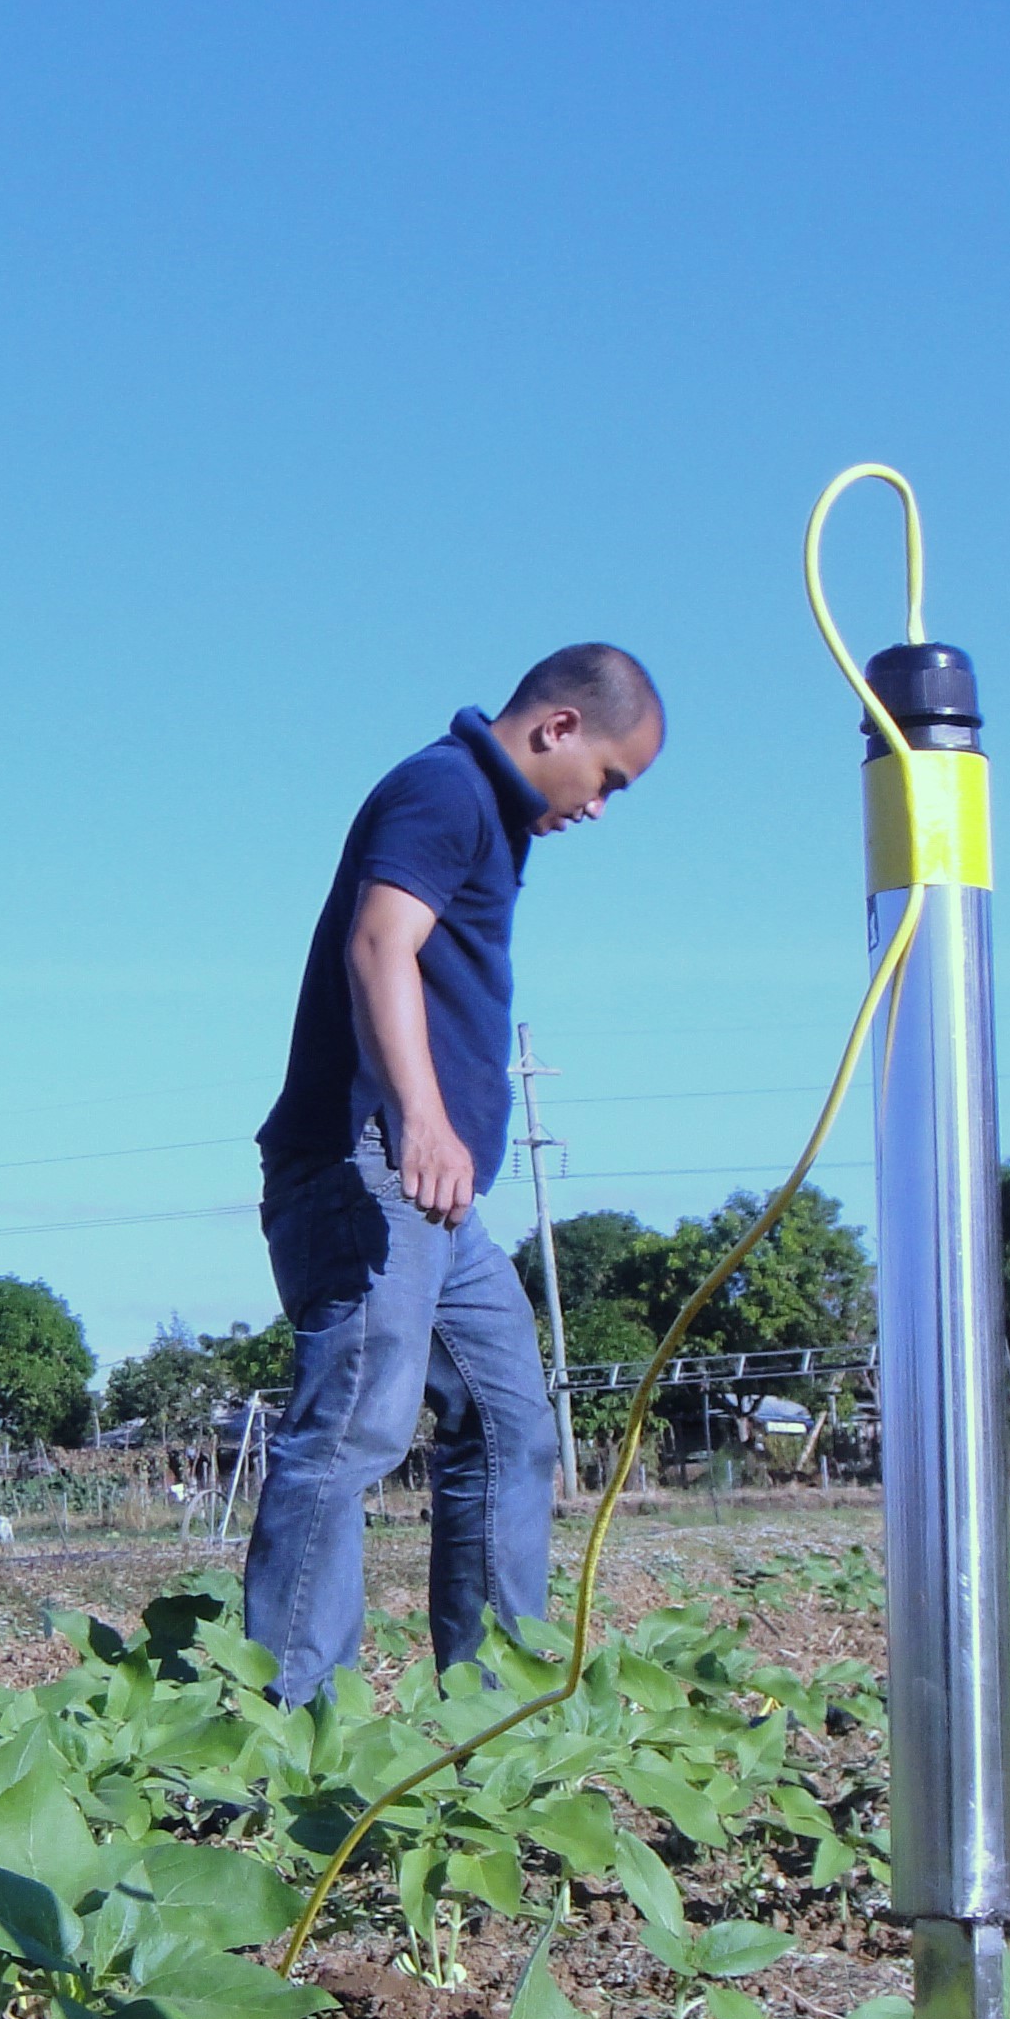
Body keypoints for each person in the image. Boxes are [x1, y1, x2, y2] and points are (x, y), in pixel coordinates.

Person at [241, 644, 662, 1706]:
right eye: (609, 778)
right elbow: (380, 944)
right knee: (351, 1428)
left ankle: (492, 1705)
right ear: (559, 727)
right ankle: (291, 1724)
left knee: (511, 1419)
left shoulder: (487, 813)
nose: (602, 809)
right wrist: (420, 1117)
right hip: (369, 1163)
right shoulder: (446, 788)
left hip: (436, 1197)